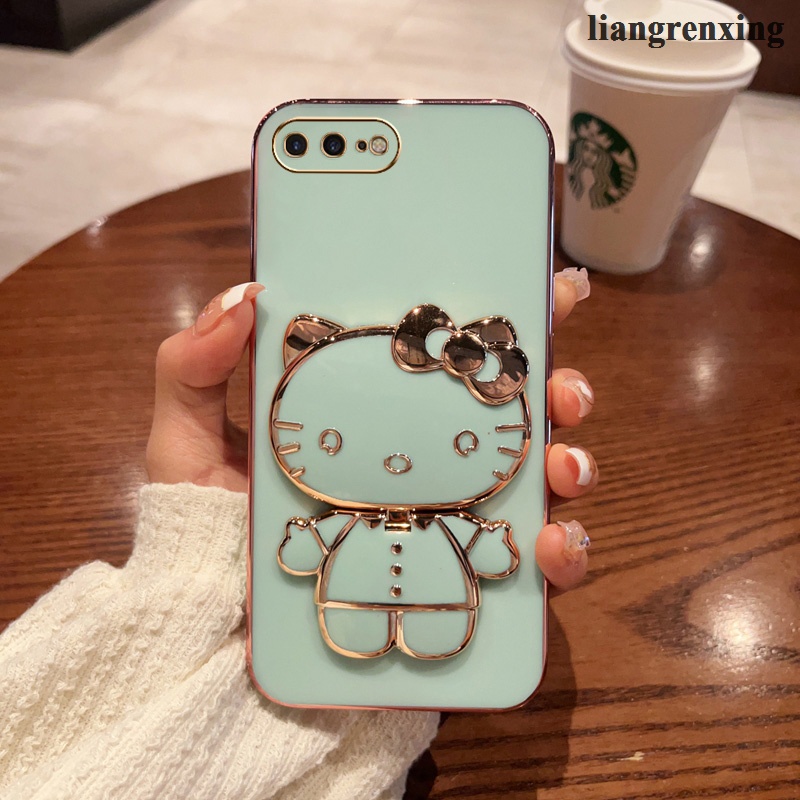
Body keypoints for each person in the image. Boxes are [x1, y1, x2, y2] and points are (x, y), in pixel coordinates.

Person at [0, 269, 597, 800]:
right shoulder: (354, 516)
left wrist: (493, 545)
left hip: (437, 604)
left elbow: (490, 559)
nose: (396, 460)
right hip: (357, 604)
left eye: (464, 443)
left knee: (437, 632)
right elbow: (308, 549)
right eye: (332, 440)